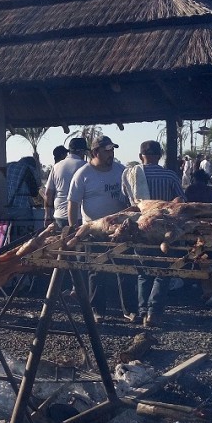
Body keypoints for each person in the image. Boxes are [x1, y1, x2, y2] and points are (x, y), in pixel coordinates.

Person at [122, 140, 185, 327]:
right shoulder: (170, 176)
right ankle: (154, 313)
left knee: (143, 273)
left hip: (140, 229)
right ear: (159, 155)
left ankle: (142, 312)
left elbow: (127, 201)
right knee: (162, 271)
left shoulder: (130, 174)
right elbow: (181, 201)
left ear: (141, 156)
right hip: (163, 229)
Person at [68, 135, 129, 320]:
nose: (111, 154)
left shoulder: (121, 170)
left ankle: (129, 310)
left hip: (120, 229)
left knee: (125, 268)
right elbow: (73, 203)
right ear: (95, 152)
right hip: (93, 229)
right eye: (107, 150)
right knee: (96, 271)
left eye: (112, 150)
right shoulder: (83, 174)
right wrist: (73, 228)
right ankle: (98, 310)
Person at [43, 136, 89, 229]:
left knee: (59, 243)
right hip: (79, 216)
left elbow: (48, 193)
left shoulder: (56, 166)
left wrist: (47, 215)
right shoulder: (86, 167)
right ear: (82, 151)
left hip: (59, 215)